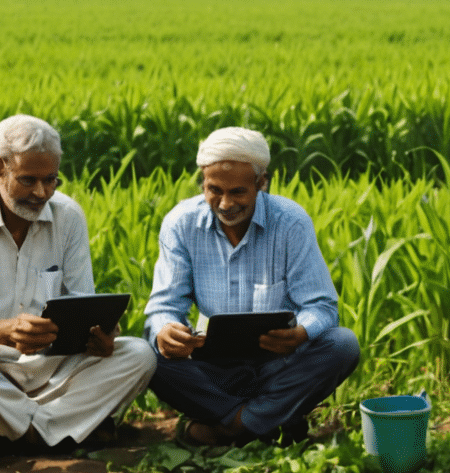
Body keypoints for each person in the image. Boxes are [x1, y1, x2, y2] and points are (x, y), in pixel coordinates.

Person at [0, 115, 156, 450]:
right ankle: (64, 431)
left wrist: (98, 336)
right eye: (28, 180)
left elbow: (80, 301)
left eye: (51, 180)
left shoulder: (68, 216)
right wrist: (3, 331)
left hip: (52, 368)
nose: (42, 192)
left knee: (140, 355)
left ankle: (17, 431)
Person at [144, 127, 360, 445]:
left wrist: (300, 333)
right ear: (202, 182)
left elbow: (321, 306)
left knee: (342, 345)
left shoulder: (290, 222)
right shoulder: (182, 223)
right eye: (214, 190)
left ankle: (227, 428)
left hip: (278, 366)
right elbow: (164, 306)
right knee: (147, 353)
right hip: (213, 371)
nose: (226, 203)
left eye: (238, 192)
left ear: (262, 183)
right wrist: (167, 330)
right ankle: (263, 422)